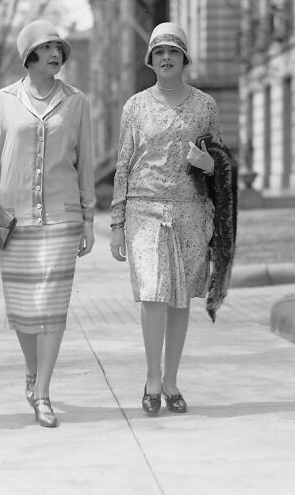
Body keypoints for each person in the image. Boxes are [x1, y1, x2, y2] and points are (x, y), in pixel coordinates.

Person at [0, 19, 95, 428]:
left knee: (52, 308)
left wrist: (89, 219)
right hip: (14, 219)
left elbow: (86, 165)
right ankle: (31, 368)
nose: (56, 53)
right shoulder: (3, 101)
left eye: (59, 47)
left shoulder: (77, 102)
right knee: (23, 311)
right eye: (46, 47)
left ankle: (42, 391)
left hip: (62, 219)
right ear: (29, 56)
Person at [109, 22, 221, 415]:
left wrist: (208, 164)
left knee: (179, 299)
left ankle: (171, 380)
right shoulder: (135, 106)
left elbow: (220, 163)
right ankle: (152, 378)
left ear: (185, 58)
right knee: (153, 291)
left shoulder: (205, 105)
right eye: (160, 53)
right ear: (151, 60)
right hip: (144, 209)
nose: (167, 58)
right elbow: (123, 164)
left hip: (191, 210)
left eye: (173, 51)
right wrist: (117, 223)